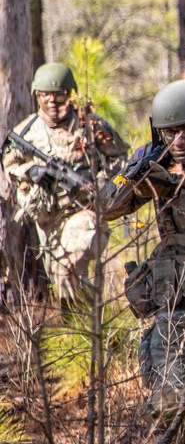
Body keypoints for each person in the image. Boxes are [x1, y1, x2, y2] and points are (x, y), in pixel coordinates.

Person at [101, 79, 185, 430]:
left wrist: (174, 189)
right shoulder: (161, 159)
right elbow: (106, 209)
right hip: (170, 300)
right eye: (170, 132)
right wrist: (133, 174)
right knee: (166, 404)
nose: (179, 140)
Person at [3, 63, 128, 302]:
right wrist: (32, 170)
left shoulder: (91, 127)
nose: (52, 101)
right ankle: (84, 331)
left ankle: (91, 328)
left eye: (59, 95)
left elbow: (122, 161)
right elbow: (8, 169)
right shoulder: (25, 133)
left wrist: (102, 185)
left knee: (69, 267)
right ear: (36, 96)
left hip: (85, 213)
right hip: (47, 220)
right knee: (61, 283)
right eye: (45, 95)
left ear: (70, 95)